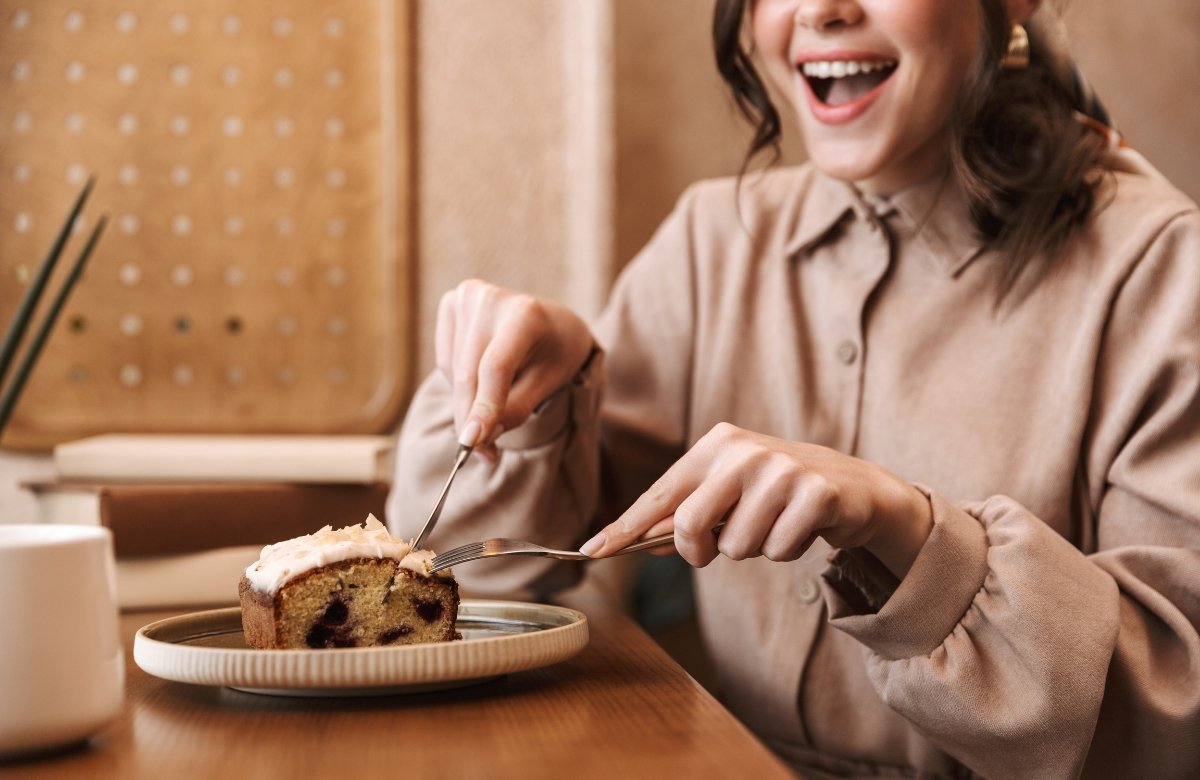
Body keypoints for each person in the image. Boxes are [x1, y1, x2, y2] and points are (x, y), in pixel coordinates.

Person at [388, 0, 1200, 777]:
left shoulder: (1163, 270)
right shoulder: (714, 239)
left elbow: (1175, 724)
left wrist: (911, 534)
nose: (820, 8)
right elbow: (477, 582)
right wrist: (539, 400)